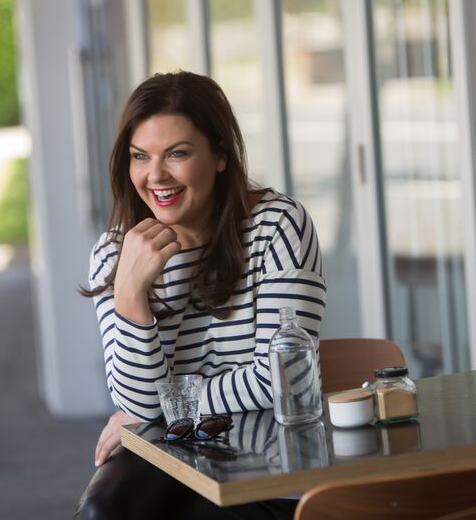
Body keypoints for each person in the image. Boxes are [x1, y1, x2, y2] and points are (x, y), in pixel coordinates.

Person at [76, 71, 326, 519]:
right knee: (100, 512)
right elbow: (135, 404)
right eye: (140, 156)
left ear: (220, 156)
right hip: (166, 459)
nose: (155, 175)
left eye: (177, 154)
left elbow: (279, 380)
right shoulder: (116, 253)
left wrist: (165, 407)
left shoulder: (276, 225)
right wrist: (131, 293)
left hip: (268, 460)